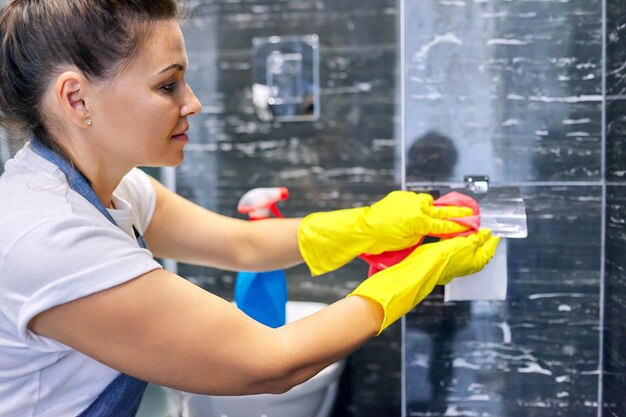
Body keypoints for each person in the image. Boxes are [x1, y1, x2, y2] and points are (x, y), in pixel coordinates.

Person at [0, 1, 499, 416]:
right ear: (77, 99)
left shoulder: (116, 188)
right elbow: (271, 362)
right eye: (168, 84)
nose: (192, 102)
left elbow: (242, 244)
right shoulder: (48, 234)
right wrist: (419, 274)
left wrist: (369, 227)